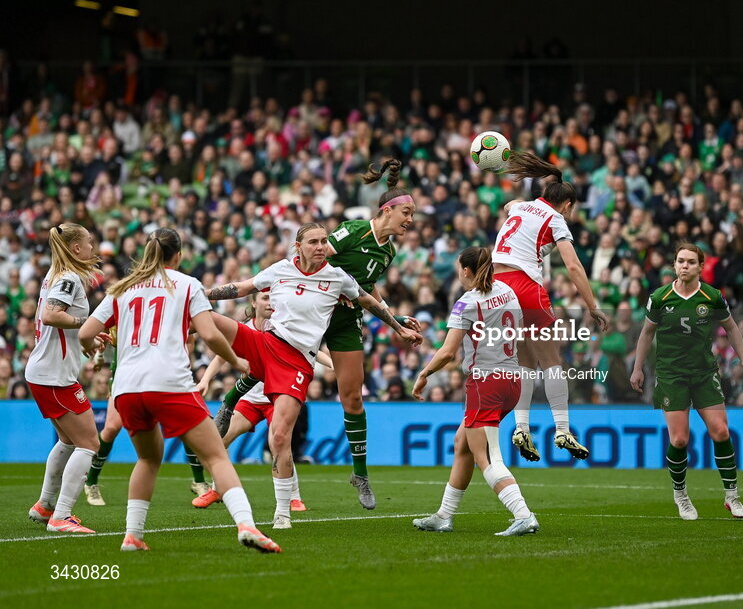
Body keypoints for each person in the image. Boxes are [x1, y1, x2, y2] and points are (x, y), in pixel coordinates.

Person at [214, 159, 420, 510]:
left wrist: (394, 319)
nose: (411, 221)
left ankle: (360, 474)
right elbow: (314, 262)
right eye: (407, 213)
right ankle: (230, 402)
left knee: (352, 396)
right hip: (308, 310)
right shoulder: (353, 231)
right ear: (388, 210)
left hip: (343, 320)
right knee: (271, 354)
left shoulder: (388, 251)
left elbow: (364, 290)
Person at [78, 228, 280, 553]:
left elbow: (86, 331)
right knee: (216, 456)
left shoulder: (121, 289)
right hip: (168, 382)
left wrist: (93, 348)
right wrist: (237, 361)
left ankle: (132, 535)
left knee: (147, 458)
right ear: (179, 256)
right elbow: (211, 336)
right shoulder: (187, 284)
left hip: (127, 388)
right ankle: (247, 525)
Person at [411, 247, 538, 536]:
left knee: (488, 457)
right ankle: (444, 516)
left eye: (459, 267)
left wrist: (423, 374)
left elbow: (447, 352)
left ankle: (523, 514)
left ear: (466, 270)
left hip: (486, 383)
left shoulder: (467, 302)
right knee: (463, 443)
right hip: (511, 379)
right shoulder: (507, 291)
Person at [493, 151, 611, 462]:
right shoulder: (556, 218)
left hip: (496, 288)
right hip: (523, 285)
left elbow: (509, 206)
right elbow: (573, 267)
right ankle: (562, 430)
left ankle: (521, 428)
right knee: (551, 360)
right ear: (568, 204)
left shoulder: (520, 206)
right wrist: (593, 306)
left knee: (525, 362)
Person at [630, 242, 743, 520]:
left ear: (700, 267)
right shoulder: (660, 297)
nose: (684, 265)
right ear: (674, 266)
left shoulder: (711, 296)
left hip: (703, 373)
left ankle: (732, 496)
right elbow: (647, 334)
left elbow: (731, 327)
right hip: (671, 375)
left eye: (689, 262)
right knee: (679, 438)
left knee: (721, 432)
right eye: (680, 261)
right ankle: (681, 496)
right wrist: (638, 368)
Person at [192, 290, 333, 510]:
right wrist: (206, 380)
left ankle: (294, 497)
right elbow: (221, 356)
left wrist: (333, 364)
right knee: (220, 441)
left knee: (278, 442)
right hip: (250, 399)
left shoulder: (283, 328)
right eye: (265, 298)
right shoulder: (244, 330)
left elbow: (309, 350)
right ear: (253, 302)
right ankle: (217, 489)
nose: (270, 303)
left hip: (277, 397)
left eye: (273, 299)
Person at [25, 224, 101, 533]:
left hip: (47, 372)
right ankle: (61, 516)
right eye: (89, 242)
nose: (93, 248)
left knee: (69, 440)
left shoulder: (55, 276)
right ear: (76, 249)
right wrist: (90, 323)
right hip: (54, 376)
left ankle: (44, 505)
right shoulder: (69, 279)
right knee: (89, 443)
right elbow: (51, 315)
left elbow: (60, 324)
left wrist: (88, 338)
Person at [83, 328, 214, 506]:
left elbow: (189, 338)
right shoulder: (122, 303)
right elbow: (101, 333)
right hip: (125, 374)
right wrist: (99, 354)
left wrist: (177, 358)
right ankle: (91, 481)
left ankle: (198, 481)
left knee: (184, 419)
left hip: (162, 374)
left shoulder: (165, 304)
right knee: (112, 427)